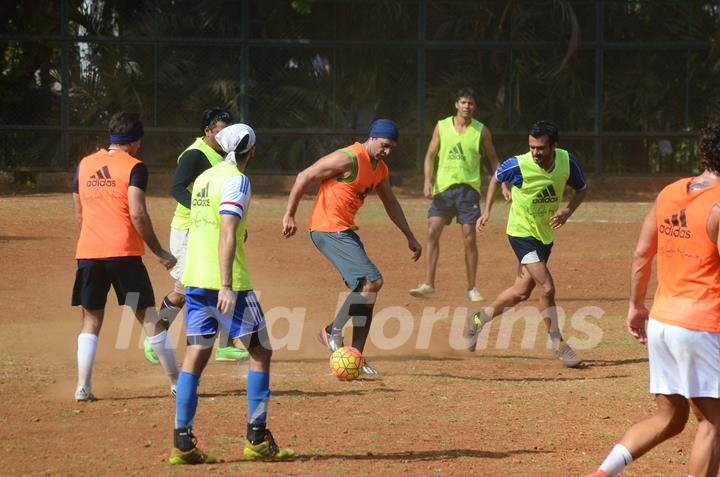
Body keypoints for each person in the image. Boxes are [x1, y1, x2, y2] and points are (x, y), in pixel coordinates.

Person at [585, 121, 720, 477]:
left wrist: (635, 306)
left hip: (663, 321)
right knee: (714, 423)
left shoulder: (671, 192)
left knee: (671, 417)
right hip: (702, 325)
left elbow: (642, 254)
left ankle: (601, 474)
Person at [169, 123, 294, 464]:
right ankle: (257, 437)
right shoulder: (237, 180)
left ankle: (182, 443)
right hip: (228, 282)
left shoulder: (206, 179)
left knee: (196, 353)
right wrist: (226, 283)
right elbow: (227, 231)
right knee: (261, 349)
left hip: (194, 277)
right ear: (250, 152)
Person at [281, 119, 422, 377]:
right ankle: (332, 331)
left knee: (367, 292)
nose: (387, 152)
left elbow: (390, 202)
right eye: (384, 145)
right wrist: (290, 214)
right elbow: (305, 175)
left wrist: (409, 235)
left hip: (344, 230)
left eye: (392, 148)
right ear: (372, 138)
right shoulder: (348, 158)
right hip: (326, 228)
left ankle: (356, 357)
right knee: (372, 281)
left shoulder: (380, 169)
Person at [72, 111, 179, 401]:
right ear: (135, 142)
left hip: (90, 255)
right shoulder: (135, 166)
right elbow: (137, 212)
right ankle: (177, 383)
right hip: (123, 257)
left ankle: (83, 386)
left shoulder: (84, 165)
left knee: (91, 320)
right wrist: (159, 252)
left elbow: (80, 214)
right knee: (148, 317)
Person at [464, 120, 587, 368]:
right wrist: (487, 211)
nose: (535, 153)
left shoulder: (567, 161)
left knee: (521, 292)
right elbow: (496, 178)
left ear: (554, 146)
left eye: (540, 148)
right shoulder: (519, 164)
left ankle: (477, 321)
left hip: (544, 236)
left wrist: (567, 211)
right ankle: (558, 344)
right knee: (547, 287)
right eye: (532, 147)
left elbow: (582, 189)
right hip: (521, 234)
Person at [144, 108, 249, 364]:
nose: (224, 138)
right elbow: (177, 188)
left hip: (206, 228)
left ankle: (224, 344)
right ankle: (154, 338)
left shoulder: (222, 155)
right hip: (188, 229)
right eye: (219, 132)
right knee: (183, 289)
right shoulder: (195, 154)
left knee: (216, 281)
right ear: (207, 132)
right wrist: (206, 211)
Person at [410, 87, 509, 302]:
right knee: (432, 232)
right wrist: (427, 180)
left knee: (469, 238)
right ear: (456, 104)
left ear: (475, 107)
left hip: (468, 191)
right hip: (444, 190)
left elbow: (494, 160)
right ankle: (428, 284)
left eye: (471, 103)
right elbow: (429, 156)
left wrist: (502, 183)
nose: (466, 106)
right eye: (463, 102)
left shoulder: (481, 131)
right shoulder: (442, 127)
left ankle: (472, 288)